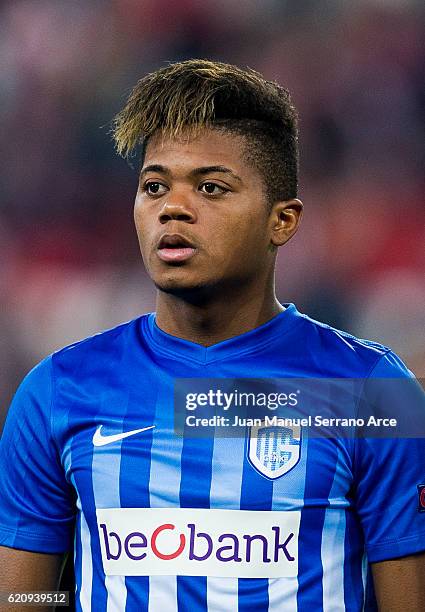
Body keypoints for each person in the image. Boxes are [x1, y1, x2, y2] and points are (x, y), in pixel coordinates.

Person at [0, 59, 424, 612]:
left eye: (211, 187)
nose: (173, 207)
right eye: (154, 186)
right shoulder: (59, 391)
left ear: (283, 221)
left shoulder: (368, 393)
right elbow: (25, 596)